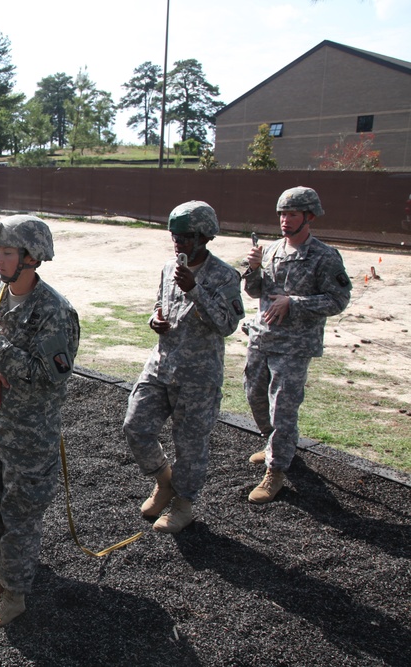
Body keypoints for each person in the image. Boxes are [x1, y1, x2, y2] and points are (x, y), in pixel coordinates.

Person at [0, 215, 80, 631]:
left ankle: (14, 595)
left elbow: (49, 375)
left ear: (31, 258)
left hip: (29, 434)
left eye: (7, 253)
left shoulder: (55, 311)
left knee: (19, 517)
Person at [123, 202, 244, 533]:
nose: (178, 242)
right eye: (174, 235)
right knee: (136, 426)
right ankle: (165, 481)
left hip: (198, 375)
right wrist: (155, 319)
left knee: (190, 445)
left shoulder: (223, 275)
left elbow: (227, 324)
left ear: (205, 236)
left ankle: (184, 503)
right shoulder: (168, 267)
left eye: (186, 236)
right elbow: (160, 303)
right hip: (161, 365)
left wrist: (195, 289)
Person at [242, 186, 351, 503]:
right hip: (263, 338)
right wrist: (252, 269)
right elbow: (255, 292)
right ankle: (272, 443)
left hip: (295, 345)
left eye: (291, 214)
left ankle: (276, 471)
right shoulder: (273, 250)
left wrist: (294, 303)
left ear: (309, 216)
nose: (285, 220)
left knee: (284, 408)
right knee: (254, 395)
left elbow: (338, 299)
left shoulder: (324, 257)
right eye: (281, 214)